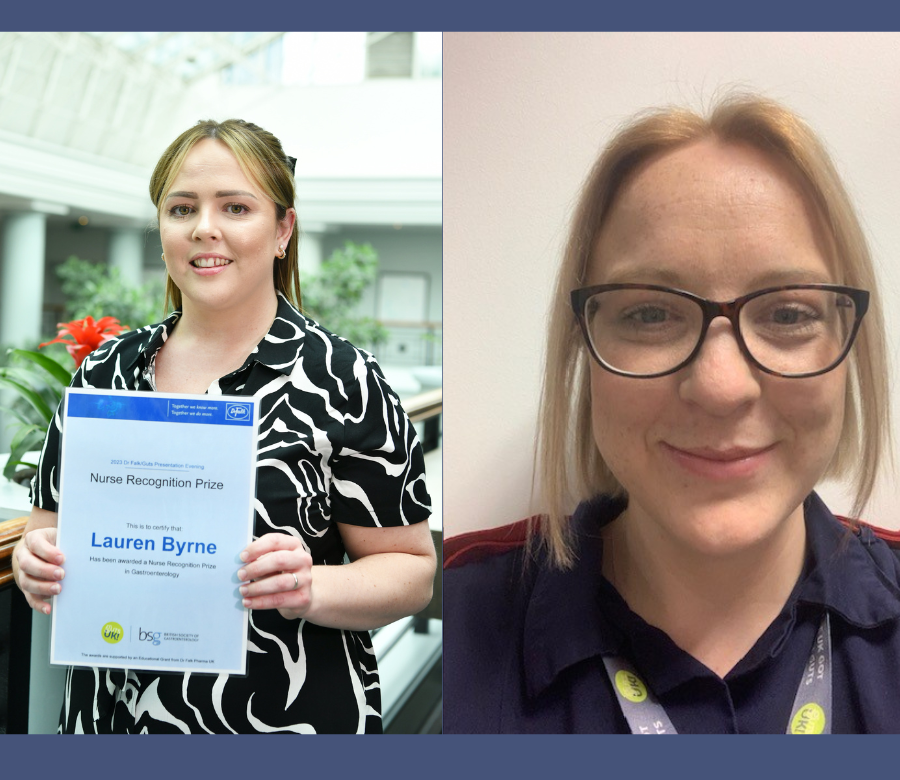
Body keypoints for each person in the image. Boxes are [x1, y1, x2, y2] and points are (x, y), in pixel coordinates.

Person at [443, 93, 900, 733]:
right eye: (651, 314)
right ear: (581, 346)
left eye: (789, 314)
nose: (719, 387)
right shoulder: (451, 620)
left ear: (853, 346)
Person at [13, 118, 436, 734]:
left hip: (285, 721)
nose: (204, 227)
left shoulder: (342, 379)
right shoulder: (104, 372)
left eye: (235, 207)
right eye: (182, 208)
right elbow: (48, 530)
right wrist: (35, 561)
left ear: (283, 228)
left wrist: (308, 585)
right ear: (162, 229)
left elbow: (412, 571)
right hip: (110, 719)